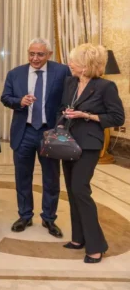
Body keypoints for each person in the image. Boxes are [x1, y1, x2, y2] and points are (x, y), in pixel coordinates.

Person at [60, 44, 124, 263]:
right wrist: (66, 113)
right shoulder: (70, 82)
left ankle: (97, 245)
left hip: (88, 145)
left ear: (86, 65)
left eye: (74, 61)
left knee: (80, 189)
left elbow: (117, 117)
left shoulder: (106, 86)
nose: (70, 64)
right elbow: (62, 106)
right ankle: (78, 238)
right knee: (71, 191)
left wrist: (87, 115)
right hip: (67, 143)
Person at [1, 38, 71, 237]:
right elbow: (5, 97)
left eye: (40, 54)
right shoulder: (15, 73)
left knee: (51, 178)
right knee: (23, 177)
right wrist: (19, 101)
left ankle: (49, 218)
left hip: (50, 131)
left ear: (49, 54)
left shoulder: (62, 71)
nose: (35, 58)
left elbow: (69, 98)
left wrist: (62, 122)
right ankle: (25, 215)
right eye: (31, 53)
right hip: (24, 132)